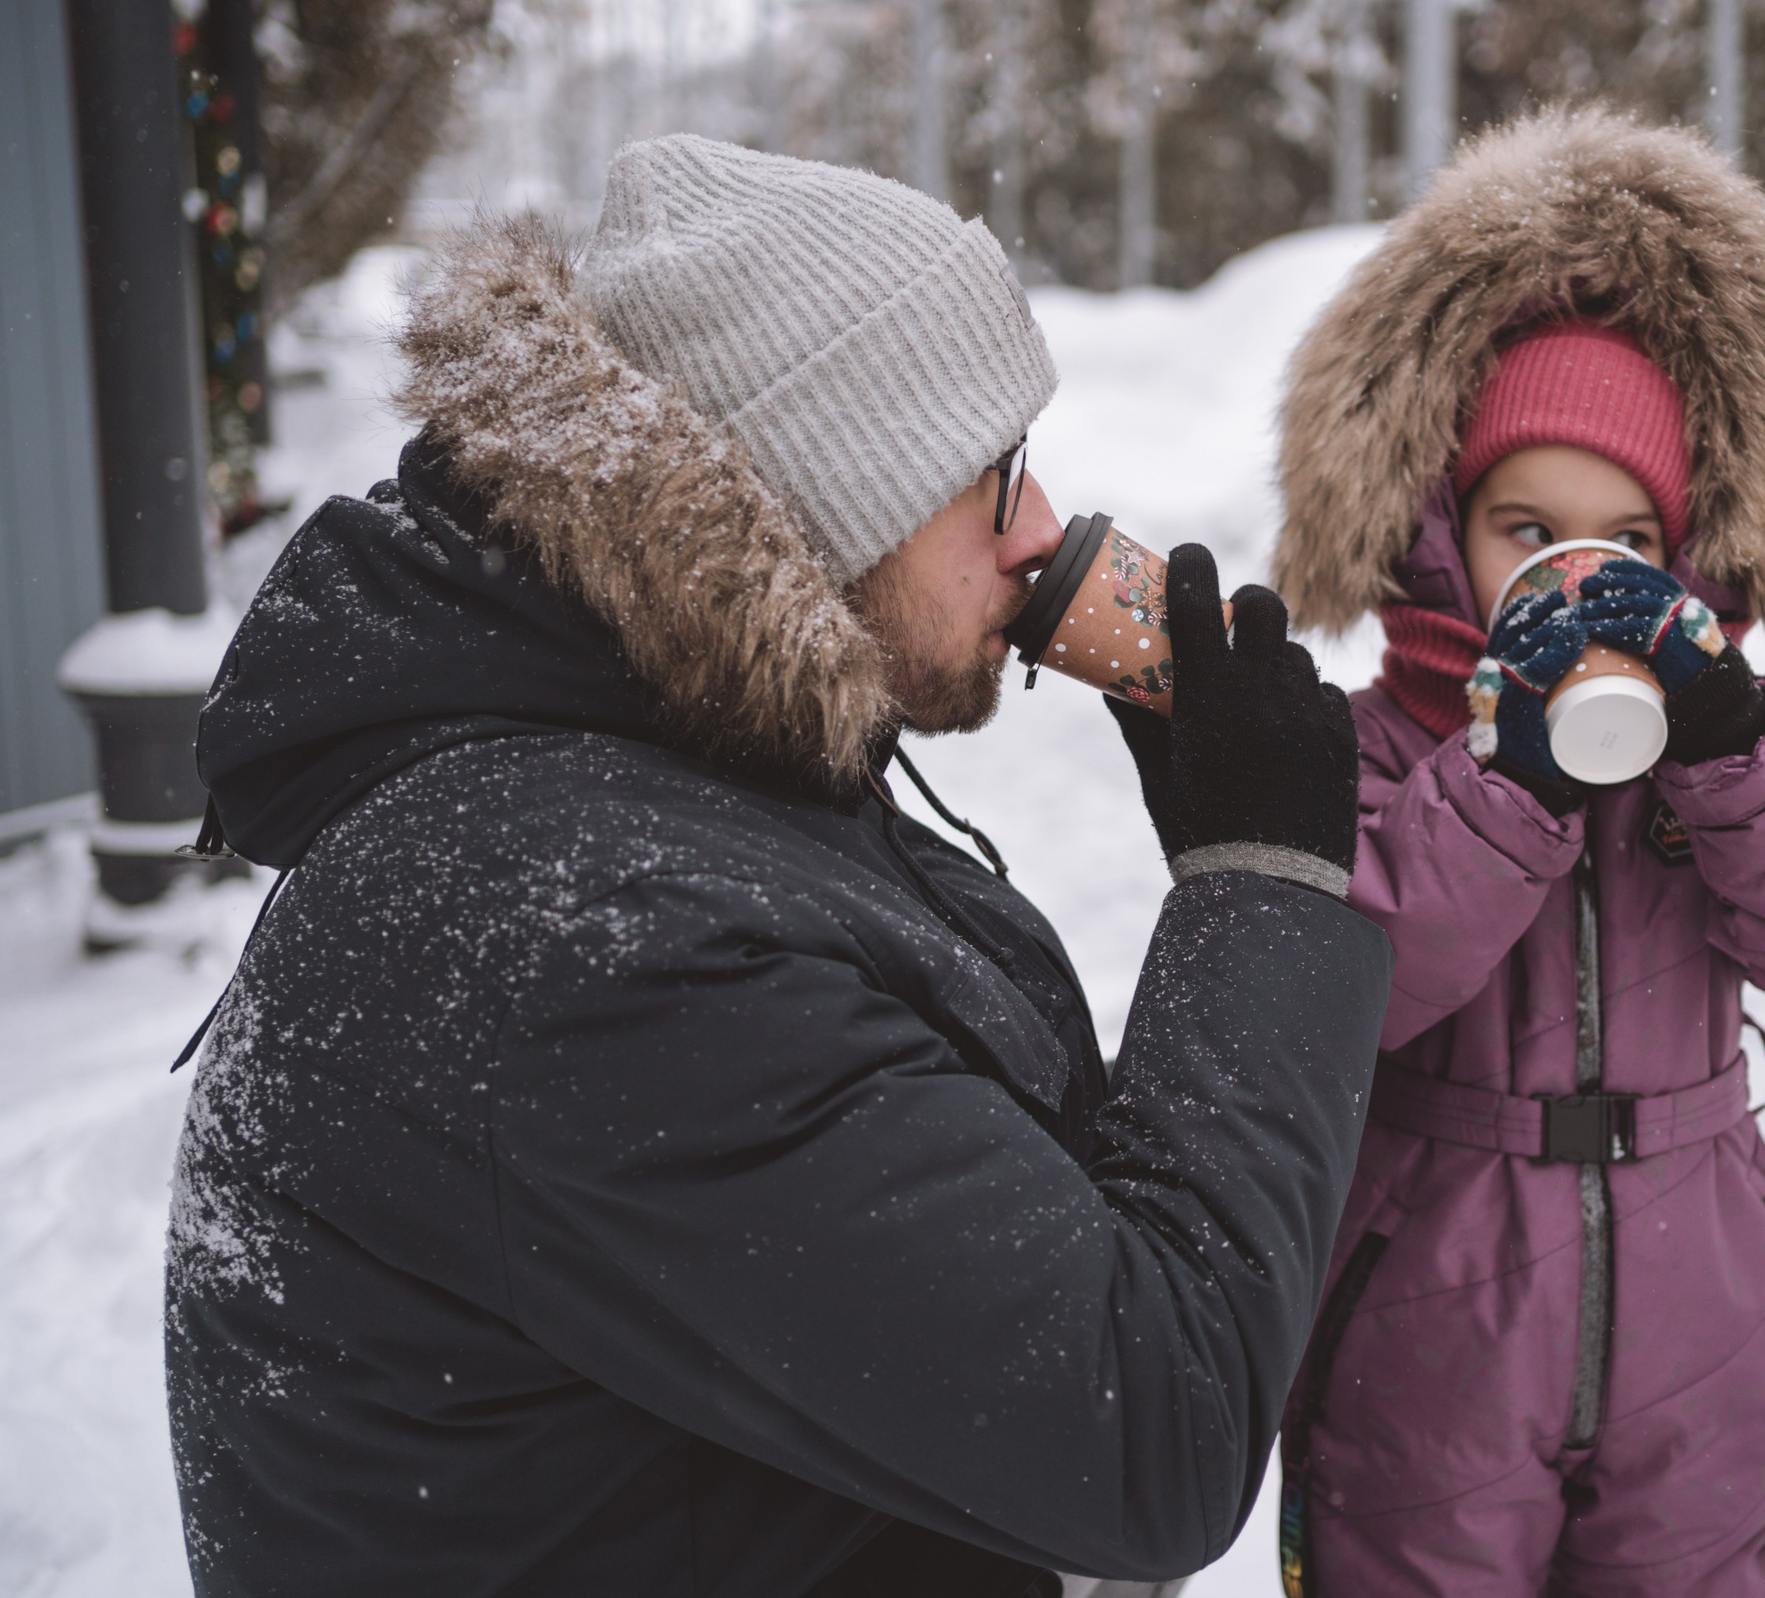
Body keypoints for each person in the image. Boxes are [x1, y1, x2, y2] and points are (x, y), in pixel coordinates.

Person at [165, 135, 1390, 1597]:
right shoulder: (596, 938)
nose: (1042, 529)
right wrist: (1259, 881)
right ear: (824, 495)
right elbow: (1151, 1420)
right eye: (990, 472)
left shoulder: (650, 766)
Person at [1265, 107, 1765, 1596]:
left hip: (1698, 1309)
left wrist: (1733, 738)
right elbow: (1351, 986)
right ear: (1443, 532)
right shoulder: (1372, 748)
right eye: (1528, 529)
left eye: (1628, 539)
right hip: (1430, 1316)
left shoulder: (1720, 748)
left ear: (1683, 552)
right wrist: (1505, 778)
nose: (1577, 575)